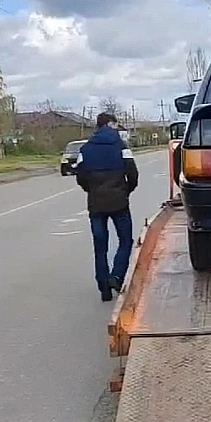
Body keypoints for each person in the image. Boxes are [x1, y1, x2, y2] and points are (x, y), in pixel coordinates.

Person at [75, 112, 139, 301]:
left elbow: (80, 177)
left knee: (100, 244)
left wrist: (92, 190)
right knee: (125, 240)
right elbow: (133, 174)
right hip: (119, 202)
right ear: (110, 124)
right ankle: (117, 275)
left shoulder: (85, 149)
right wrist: (126, 190)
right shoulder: (121, 146)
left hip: (96, 204)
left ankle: (103, 286)